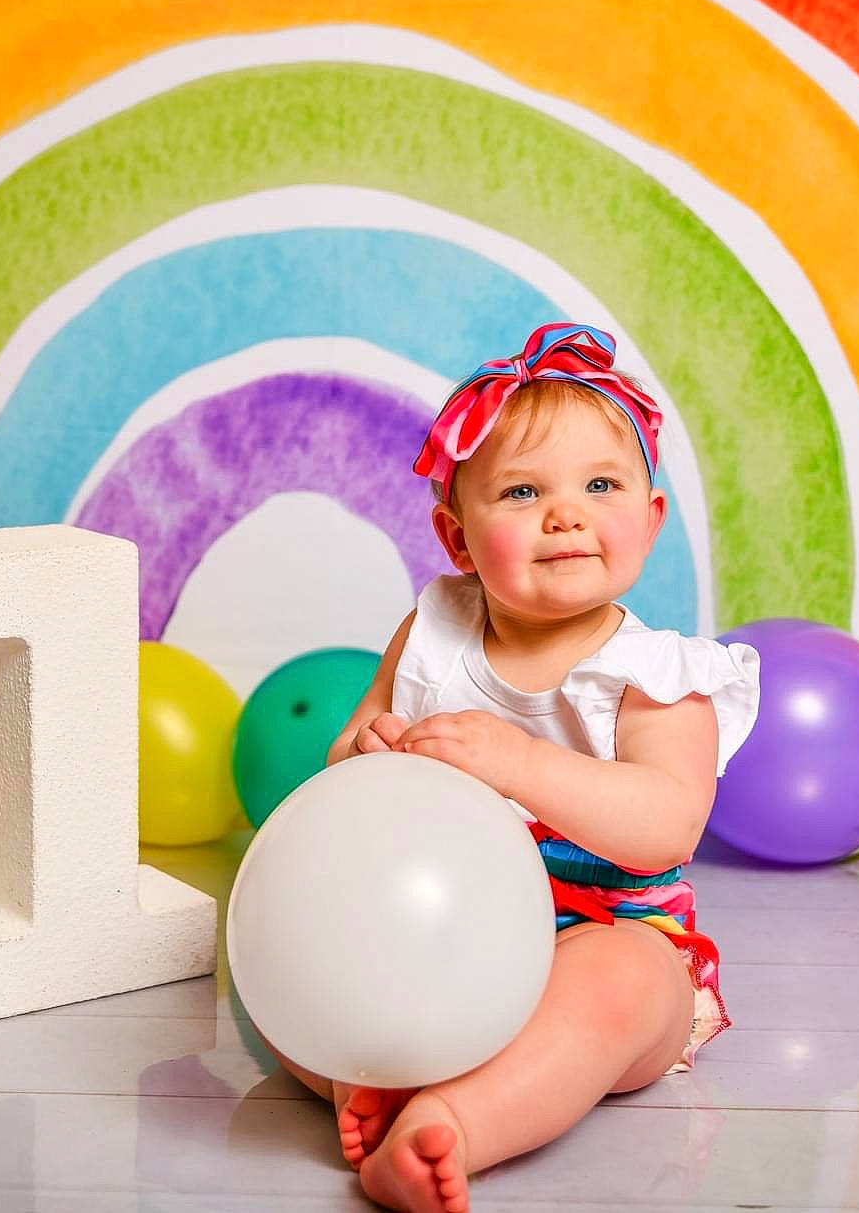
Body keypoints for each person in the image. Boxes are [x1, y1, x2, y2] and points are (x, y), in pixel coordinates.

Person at [269, 322, 761, 1213]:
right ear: (458, 539)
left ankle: (452, 1122)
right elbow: (349, 749)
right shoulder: (434, 632)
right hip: (441, 929)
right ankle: (371, 1071)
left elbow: (666, 824)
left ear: (650, 520)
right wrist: (369, 754)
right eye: (523, 491)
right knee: (311, 963)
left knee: (621, 987)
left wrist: (521, 761)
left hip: (605, 929)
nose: (565, 514)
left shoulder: (659, 675)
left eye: (600, 485)